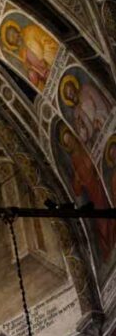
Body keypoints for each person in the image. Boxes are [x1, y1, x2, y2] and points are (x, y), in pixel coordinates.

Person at [59, 128, 115, 262]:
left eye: (70, 139)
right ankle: (108, 250)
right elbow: (76, 189)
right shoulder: (74, 159)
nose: (71, 143)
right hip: (93, 193)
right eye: (68, 142)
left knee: (109, 214)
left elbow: (94, 165)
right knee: (102, 220)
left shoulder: (86, 147)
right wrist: (78, 179)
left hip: (100, 186)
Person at [0, 20, 58, 91]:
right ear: (12, 44)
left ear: (16, 29)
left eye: (12, 34)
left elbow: (49, 41)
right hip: (48, 80)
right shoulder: (21, 55)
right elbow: (36, 78)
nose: (14, 38)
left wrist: (46, 59)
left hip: (55, 65)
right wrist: (34, 76)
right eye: (11, 40)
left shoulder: (31, 31)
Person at [60, 73, 110, 149]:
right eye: (68, 95)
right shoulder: (76, 113)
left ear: (74, 86)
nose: (70, 95)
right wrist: (83, 129)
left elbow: (101, 104)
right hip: (97, 139)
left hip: (106, 124)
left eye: (70, 91)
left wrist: (98, 120)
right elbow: (83, 138)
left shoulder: (87, 89)